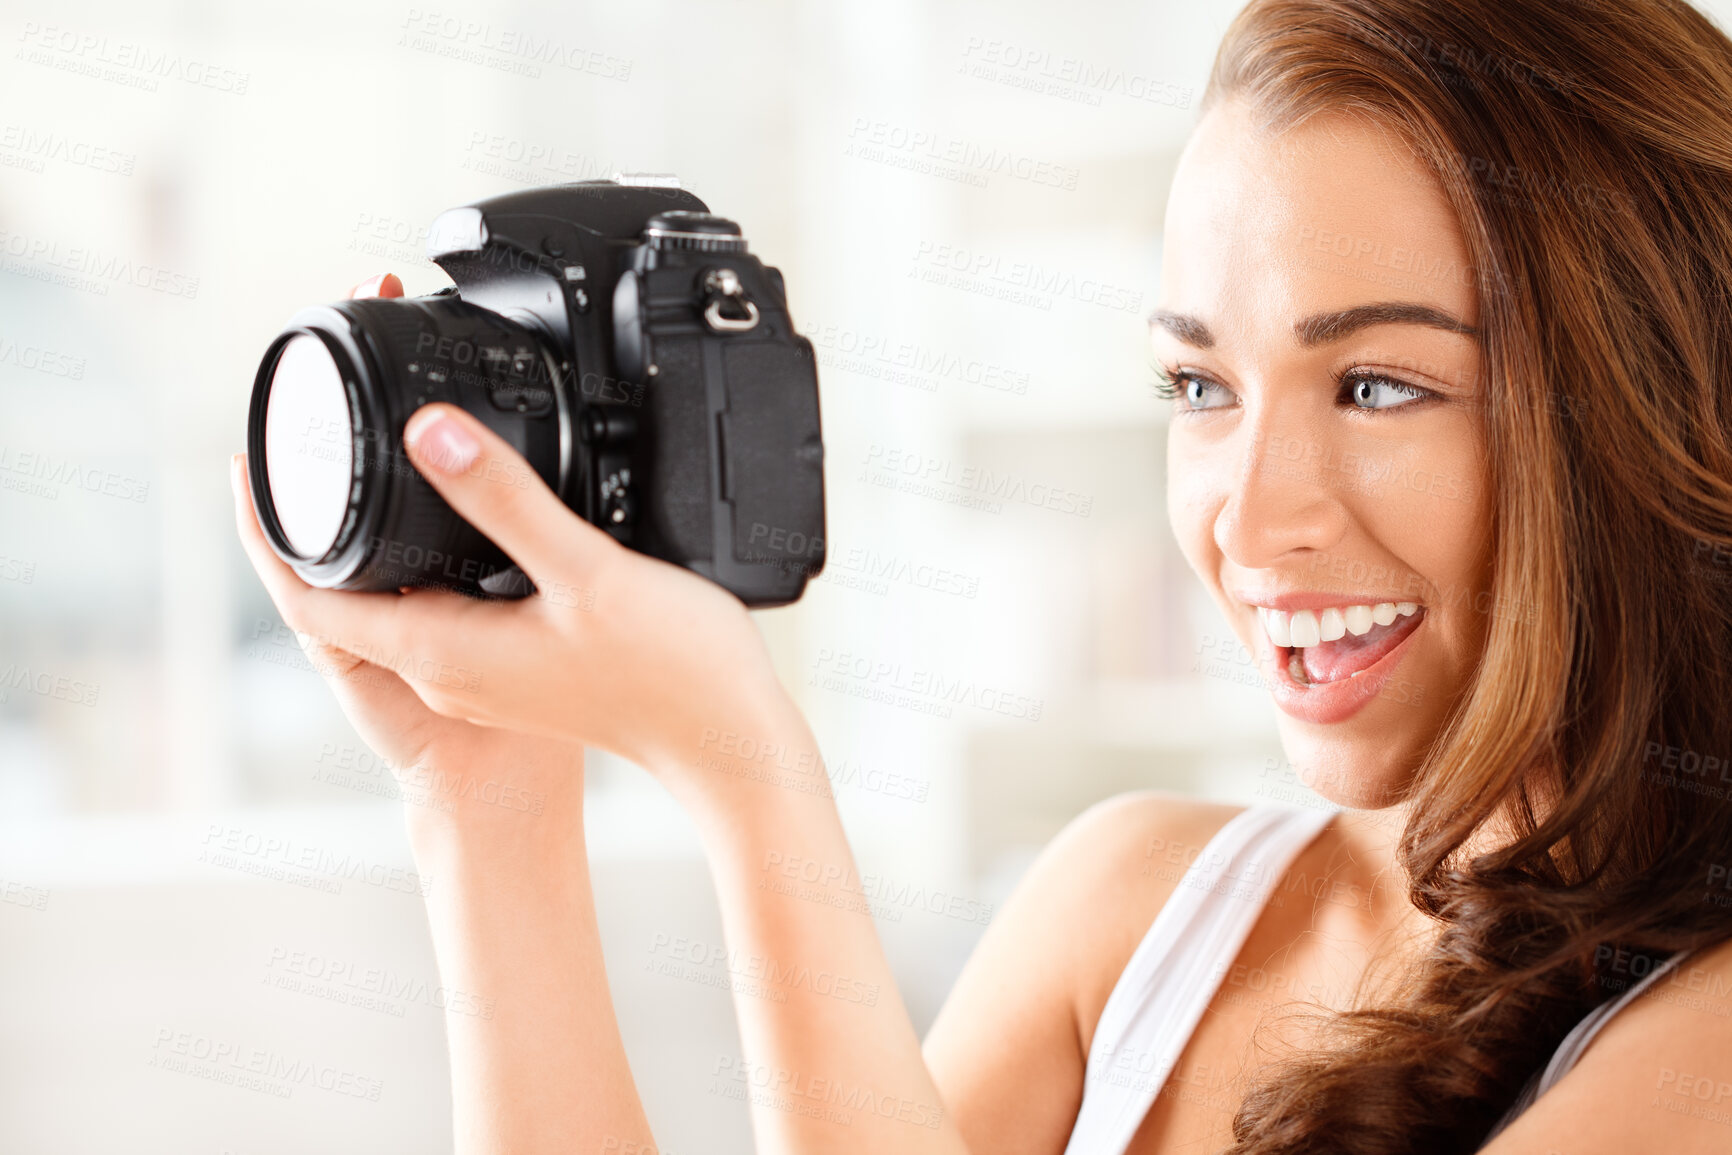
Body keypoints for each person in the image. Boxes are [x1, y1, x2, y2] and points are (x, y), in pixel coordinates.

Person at [231, 0, 1732, 1150]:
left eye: (1380, 387)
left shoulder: (1701, 1051)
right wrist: (483, 800)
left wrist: (755, 787)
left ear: (1661, 403)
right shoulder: (1139, 917)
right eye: (1199, 389)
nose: (1250, 519)